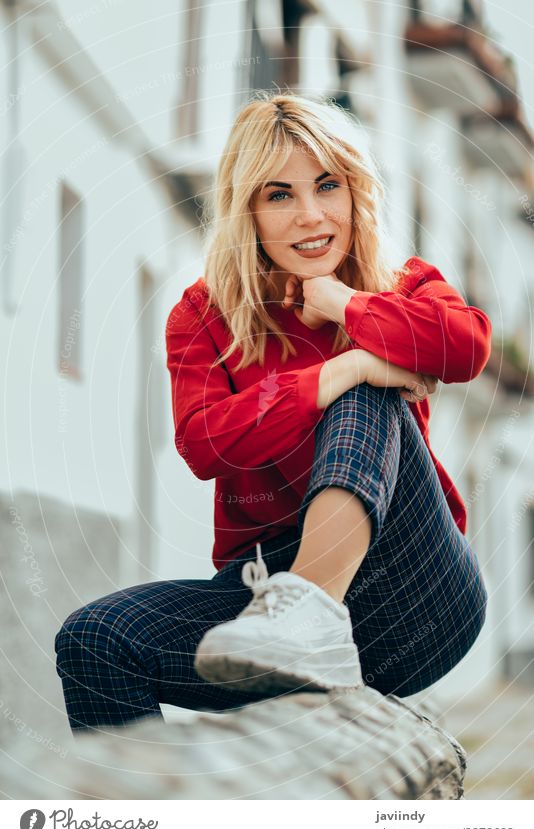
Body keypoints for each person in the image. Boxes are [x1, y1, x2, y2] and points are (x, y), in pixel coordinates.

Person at [55, 92, 491, 732]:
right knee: (93, 639)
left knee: (361, 392)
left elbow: (466, 345)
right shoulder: (204, 316)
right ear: (248, 211)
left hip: (416, 594)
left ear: (354, 191)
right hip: (263, 598)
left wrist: (343, 304)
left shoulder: (400, 286)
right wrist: (341, 367)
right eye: (279, 194)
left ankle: (310, 612)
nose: (311, 215)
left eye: (327, 186)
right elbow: (205, 442)